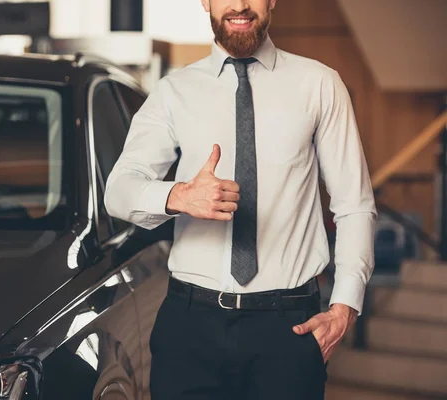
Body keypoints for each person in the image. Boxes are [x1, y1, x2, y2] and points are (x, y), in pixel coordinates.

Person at [104, 0, 377, 398]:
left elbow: (355, 204)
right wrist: (179, 195)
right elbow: (119, 189)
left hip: (288, 328)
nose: (240, 5)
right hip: (190, 329)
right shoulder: (173, 92)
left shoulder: (319, 84)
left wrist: (344, 307)